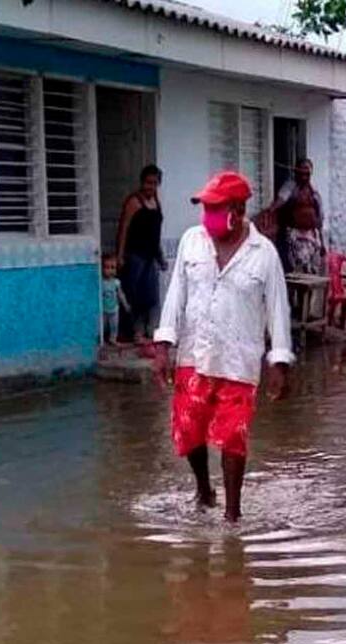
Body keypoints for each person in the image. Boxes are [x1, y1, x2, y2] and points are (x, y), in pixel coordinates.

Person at [153, 171, 294, 523]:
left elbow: (278, 308)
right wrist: (163, 344)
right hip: (194, 354)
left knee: (233, 436)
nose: (209, 214)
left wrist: (279, 361)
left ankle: (233, 514)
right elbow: (175, 294)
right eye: (206, 207)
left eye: (216, 208)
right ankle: (204, 489)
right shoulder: (192, 241)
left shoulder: (264, 254)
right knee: (188, 430)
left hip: (239, 361)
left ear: (239, 209)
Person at [116, 165, 167, 342]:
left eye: (154, 183)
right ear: (142, 182)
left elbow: (155, 233)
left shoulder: (156, 202)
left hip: (150, 256)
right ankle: (133, 332)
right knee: (134, 295)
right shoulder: (134, 201)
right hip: (135, 255)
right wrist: (120, 255)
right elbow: (124, 229)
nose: (150, 187)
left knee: (151, 296)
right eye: (147, 182)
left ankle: (150, 330)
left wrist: (160, 256)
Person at [266, 158, 324, 275]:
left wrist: (322, 242)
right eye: (301, 173)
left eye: (307, 173)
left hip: (312, 235)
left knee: (313, 270)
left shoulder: (314, 190)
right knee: (299, 269)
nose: (304, 177)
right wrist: (269, 211)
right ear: (296, 172)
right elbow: (281, 200)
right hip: (296, 235)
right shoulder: (290, 187)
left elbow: (320, 215)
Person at [101, 254, 131, 345]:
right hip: (103, 309)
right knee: (103, 325)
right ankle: (102, 339)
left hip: (114, 309)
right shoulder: (101, 282)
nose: (110, 270)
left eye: (113, 268)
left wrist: (126, 305)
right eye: (107, 267)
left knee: (114, 325)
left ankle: (113, 338)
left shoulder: (116, 282)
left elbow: (121, 295)